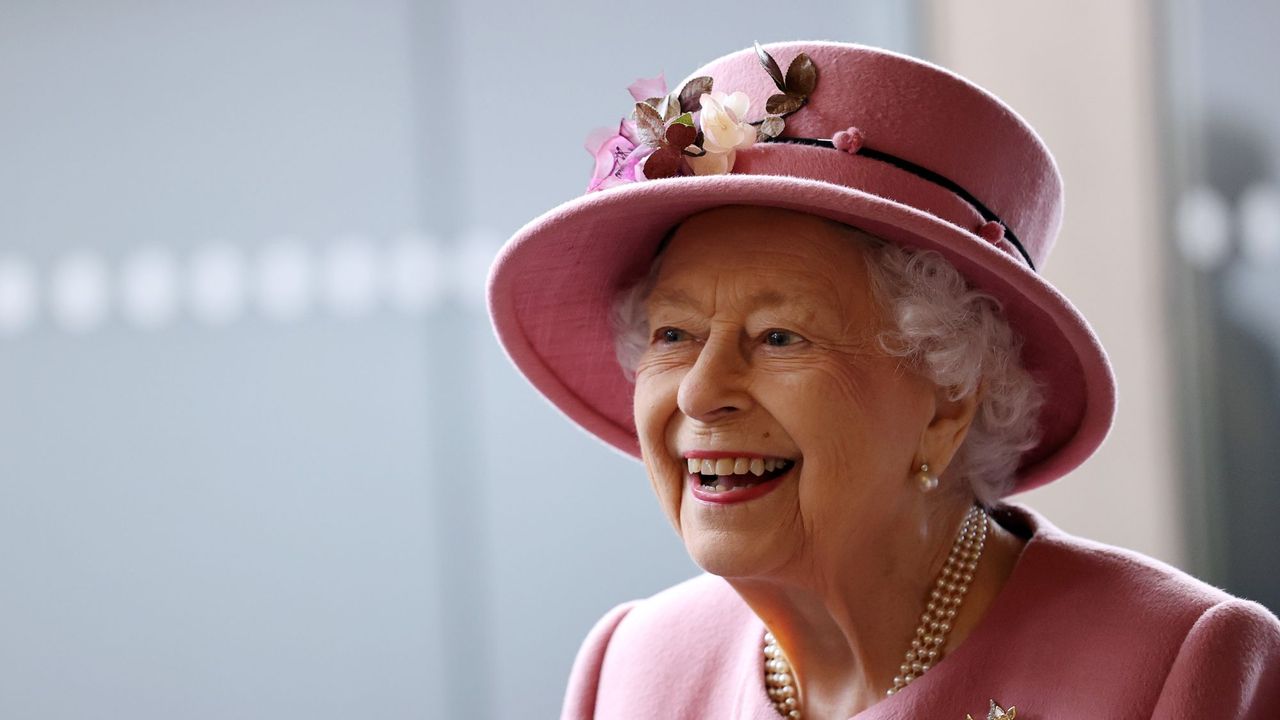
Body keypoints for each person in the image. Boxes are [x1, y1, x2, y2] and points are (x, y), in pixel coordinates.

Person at [485, 40, 1280, 719]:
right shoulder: (630, 676)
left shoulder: (1174, 671)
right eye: (673, 335)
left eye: (778, 336)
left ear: (947, 396)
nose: (699, 393)